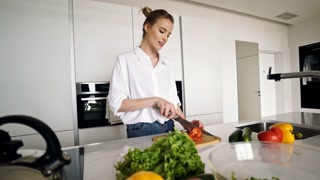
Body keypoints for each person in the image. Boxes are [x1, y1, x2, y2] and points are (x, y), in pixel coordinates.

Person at [107, 6, 203, 138]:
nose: (165, 38)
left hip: (169, 126)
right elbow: (117, 104)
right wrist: (155, 100)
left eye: (168, 35)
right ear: (147, 27)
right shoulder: (125, 60)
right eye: (162, 31)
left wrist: (187, 123)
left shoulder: (167, 64)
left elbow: (173, 102)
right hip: (141, 129)